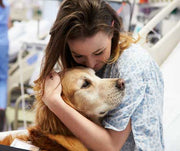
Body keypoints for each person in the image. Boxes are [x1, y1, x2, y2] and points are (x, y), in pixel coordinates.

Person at [36, 0, 164, 150]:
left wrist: (54, 102)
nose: (90, 64)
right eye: (79, 56)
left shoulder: (133, 66)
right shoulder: (69, 66)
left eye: (98, 52)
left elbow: (110, 147)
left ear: (112, 31)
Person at [0, 0, 10, 131]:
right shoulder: (6, 5)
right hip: (3, 44)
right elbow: (8, 24)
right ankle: (1, 107)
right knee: (2, 79)